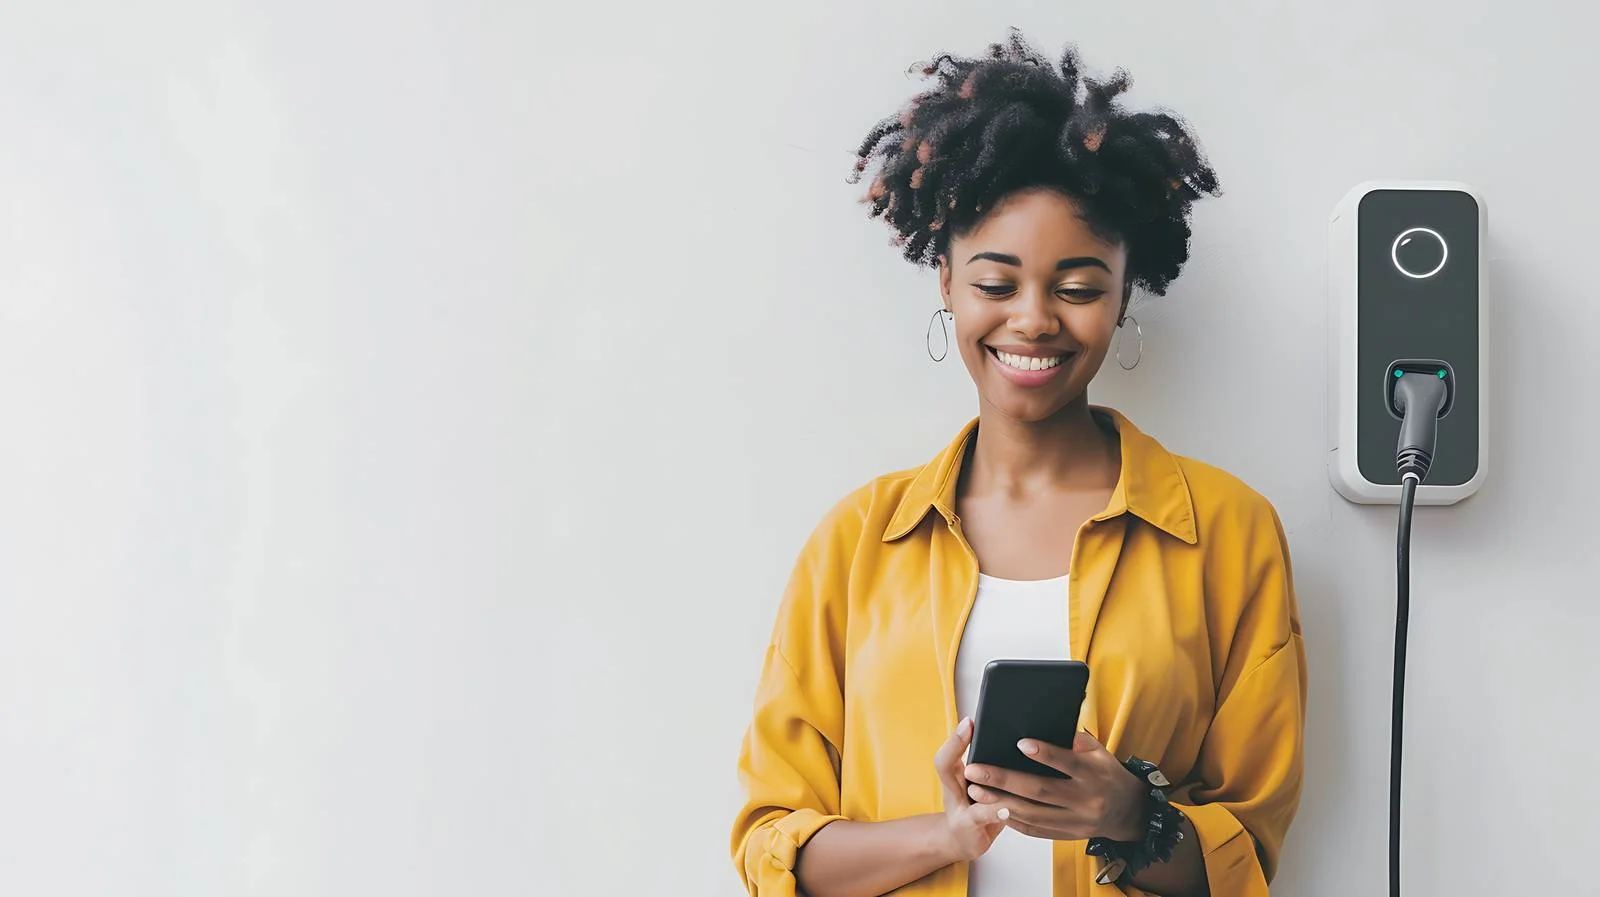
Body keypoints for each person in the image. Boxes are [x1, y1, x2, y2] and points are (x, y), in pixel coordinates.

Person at [730, 29, 1306, 897]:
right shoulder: (856, 543)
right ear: (947, 285)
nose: (1033, 321)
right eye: (996, 284)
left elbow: (1247, 858)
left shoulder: (1228, 531)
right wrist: (948, 834)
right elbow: (772, 846)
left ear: (1123, 292)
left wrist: (1127, 815)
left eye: (1078, 288)